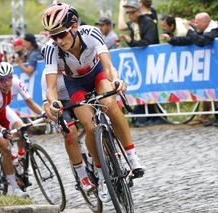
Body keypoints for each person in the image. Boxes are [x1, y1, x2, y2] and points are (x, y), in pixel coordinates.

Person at [41, 2, 145, 203]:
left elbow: (108, 65)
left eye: (61, 34)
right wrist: (52, 102)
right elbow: (51, 87)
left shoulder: (91, 33)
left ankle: (132, 156)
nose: (58, 41)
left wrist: (115, 79)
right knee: (89, 127)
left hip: (97, 75)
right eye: (53, 36)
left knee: (110, 106)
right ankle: (101, 175)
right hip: (75, 85)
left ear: (73, 26)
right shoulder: (51, 49)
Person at [0, 62, 45, 197]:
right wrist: (3, 130)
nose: (6, 83)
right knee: (6, 148)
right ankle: (15, 188)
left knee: (21, 128)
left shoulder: (17, 83)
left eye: (8, 78)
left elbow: (31, 103)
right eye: (1, 80)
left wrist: (43, 114)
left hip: (3, 109)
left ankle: (20, 158)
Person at [41, 69, 95, 193]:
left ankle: (99, 157)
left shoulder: (70, 62)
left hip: (76, 96)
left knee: (94, 122)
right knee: (70, 132)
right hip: (61, 106)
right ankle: (83, 178)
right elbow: (47, 106)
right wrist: (56, 118)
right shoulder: (47, 74)